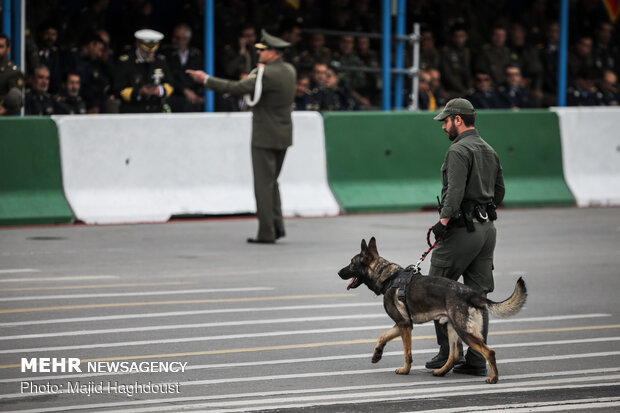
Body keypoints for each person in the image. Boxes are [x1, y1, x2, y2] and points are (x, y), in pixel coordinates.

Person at [186, 29, 296, 244]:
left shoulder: (266, 74)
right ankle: (277, 225)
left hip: (264, 134)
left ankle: (266, 232)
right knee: (273, 181)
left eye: (262, 50)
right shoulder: (289, 70)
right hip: (283, 133)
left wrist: (206, 79)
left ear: (273, 53)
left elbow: (236, 87)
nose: (258, 53)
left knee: (263, 184)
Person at [425, 97, 505, 377]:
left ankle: (447, 354)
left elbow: (455, 191)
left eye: (445, 121)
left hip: (462, 230)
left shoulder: (458, 151)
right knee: (478, 296)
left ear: (458, 120)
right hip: (486, 231)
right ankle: (475, 358)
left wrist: (442, 223)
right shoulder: (489, 149)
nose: (443, 126)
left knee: (436, 289)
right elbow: (499, 193)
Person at [113, 29, 174, 113]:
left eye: (152, 51)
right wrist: (139, 92)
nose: (149, 54)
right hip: (132, 111)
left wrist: (159, 90)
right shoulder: (126, 62)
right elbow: (118, 88)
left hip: (156, 109)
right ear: (138, 44)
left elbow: (170, 84)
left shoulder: (160, 61)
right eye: (145, 50)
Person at [165, 23, 204, 112]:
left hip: (195, 96)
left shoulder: (196, 55)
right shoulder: (167, 54)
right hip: (176, 95)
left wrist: (199, 95)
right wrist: (184, 90)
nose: (174, 40)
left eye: (178, 38)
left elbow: (201, 77)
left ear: (187, 39)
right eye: (174, 37)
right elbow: (169, 77)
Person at [0, 33, 25, 116]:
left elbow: (16, 98)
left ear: (8, 49)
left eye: (1, 47)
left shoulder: (13, 72)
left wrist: (5, 109)